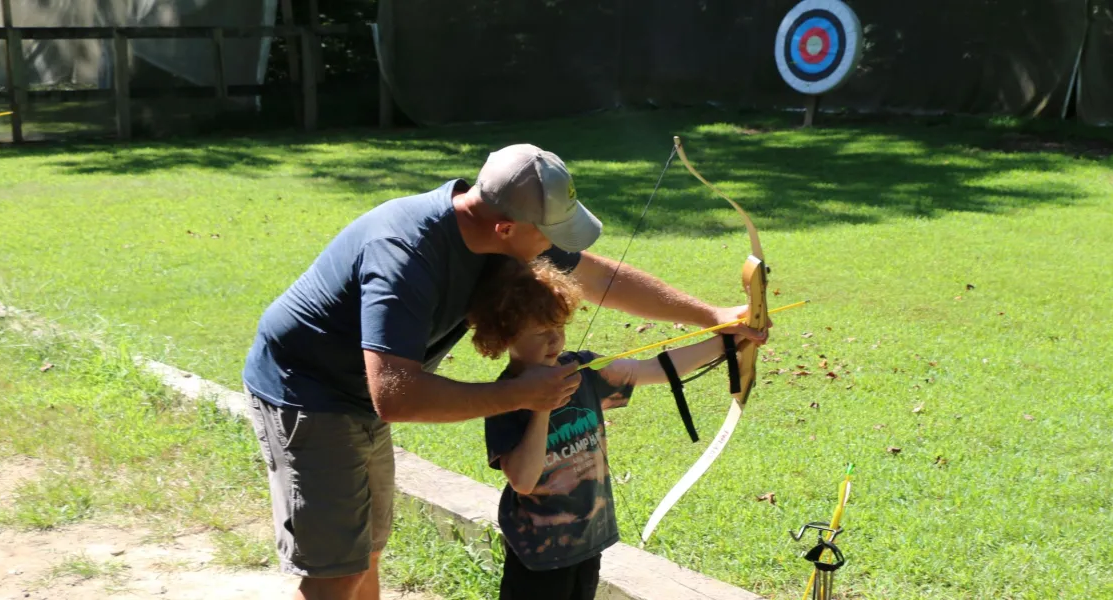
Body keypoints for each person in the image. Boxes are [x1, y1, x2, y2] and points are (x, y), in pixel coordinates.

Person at [241, 143, 764, 600]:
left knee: (367, 551)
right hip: (308, 393)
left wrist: (712, 318)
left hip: (363, 392)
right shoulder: (405, 255)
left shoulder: (498, 232)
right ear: (506, 227)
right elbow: (395, 397)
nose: (557, 249)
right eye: (550, 235)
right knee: (333, 575)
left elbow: (601, 278)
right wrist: (524, 396)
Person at [467, 256, 760, 600]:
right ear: (506, 336)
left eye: (559, 328)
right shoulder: (505, 397)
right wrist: (541, 407)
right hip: (538, 552)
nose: (555, 341)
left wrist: (730, 341)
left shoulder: (583, 369)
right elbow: (523, 479)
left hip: (589, 538)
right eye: (542, 333)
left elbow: (654, 369)